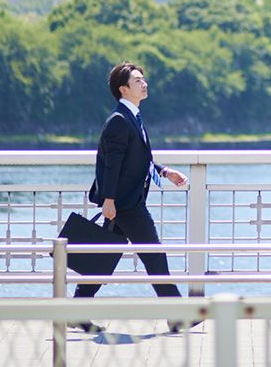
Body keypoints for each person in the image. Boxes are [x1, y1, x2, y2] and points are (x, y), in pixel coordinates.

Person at [71, 61, 190, 334]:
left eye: (143, 79)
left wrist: (165, 171)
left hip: (125, 202)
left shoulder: (131, 117)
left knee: (104, 257)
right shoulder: (119, 121)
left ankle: (76, 311)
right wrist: (109, 200)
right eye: (137, 80)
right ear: (123, 89)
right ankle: (178, 315)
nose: (144, 83)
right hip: (126, 205)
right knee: (155, 256)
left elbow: (139, 159)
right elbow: (111, 165)